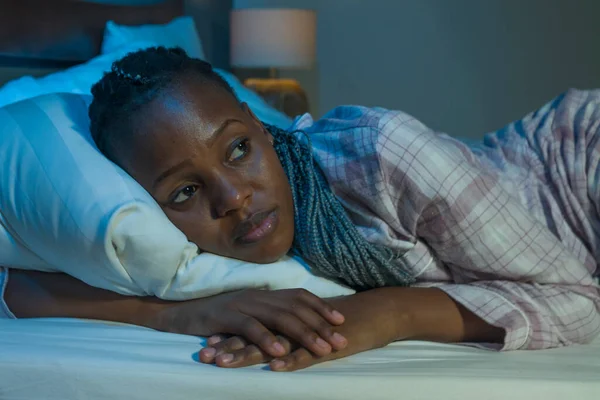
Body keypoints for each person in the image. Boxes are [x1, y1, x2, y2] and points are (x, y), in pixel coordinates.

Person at [2, 47, 599, 372]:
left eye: (239, 148)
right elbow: (19, 290)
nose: (233, 198)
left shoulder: (385, 154)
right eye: (184, 193)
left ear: (264, 127)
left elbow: (580, 297)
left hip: (576, 161)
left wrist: (389, 314)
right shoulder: (178, 251)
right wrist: (186, 316)